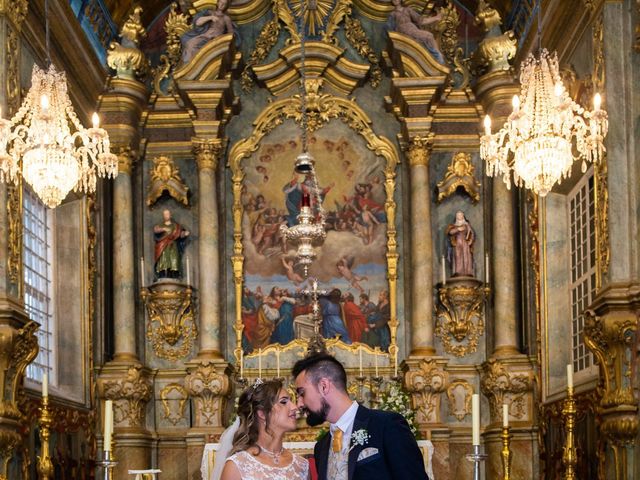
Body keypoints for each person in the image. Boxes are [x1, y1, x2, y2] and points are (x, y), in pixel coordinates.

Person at [292, 354, 428, 480]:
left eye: (302, 393)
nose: (299, 404)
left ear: (324, 386)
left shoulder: (386, 425)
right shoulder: (321, 447)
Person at [217, 379, 309, 480]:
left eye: (291, 401)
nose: (295, 407)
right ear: (262, 414)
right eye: (283, 402)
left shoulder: (302, 465)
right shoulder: (237, 466)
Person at [153, 209, 189, 279]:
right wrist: (163, 229)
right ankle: (163, 275)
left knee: (174, 260)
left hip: (173, 246)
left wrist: (184, 234)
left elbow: (179, 234)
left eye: (167, 214)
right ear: (163, 216)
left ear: (170, 215)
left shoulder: (176, 226)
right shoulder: (160, 225)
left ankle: (174, 276)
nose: (166, 215)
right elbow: (156, 230)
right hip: (163, 246)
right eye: (165, 214)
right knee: (164, 260)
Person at [446, 210, 475, 277]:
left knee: (466, 256)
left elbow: (472, 234)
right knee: (458, 256)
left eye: (460, 215)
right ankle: (458, 271)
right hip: (457, 242)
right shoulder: (454, 225)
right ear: (456, 217)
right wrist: (458, 229)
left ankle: (467, 271)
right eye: (458, 215)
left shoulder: (467, 225)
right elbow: (450, 232)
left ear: (463, 216)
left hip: (465, 242)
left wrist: (471, 240)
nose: (459, 216)